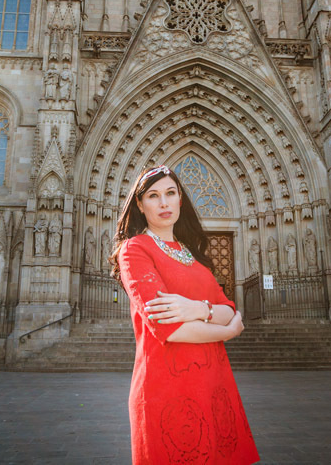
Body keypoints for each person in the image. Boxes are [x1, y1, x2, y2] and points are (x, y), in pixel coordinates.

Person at [110, 165, 259, 464]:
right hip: (169, 390)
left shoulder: (193, 254)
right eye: (153, 195)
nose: (163, 203)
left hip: (215, 387)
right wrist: (227, 330)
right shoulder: (134, 250)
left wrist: (197, 309)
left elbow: (228, 308)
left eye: (170, 193)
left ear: (180, 199)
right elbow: (171, 329)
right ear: (140, 204)